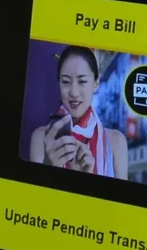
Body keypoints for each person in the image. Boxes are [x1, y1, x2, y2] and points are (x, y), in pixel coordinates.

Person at [29, 47, 125, 179]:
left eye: (82, 81)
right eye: (66, 82)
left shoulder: (116, 142)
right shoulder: (41, 137)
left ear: (96, 83)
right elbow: (34, 197)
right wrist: (48, 166)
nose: (74, 93)